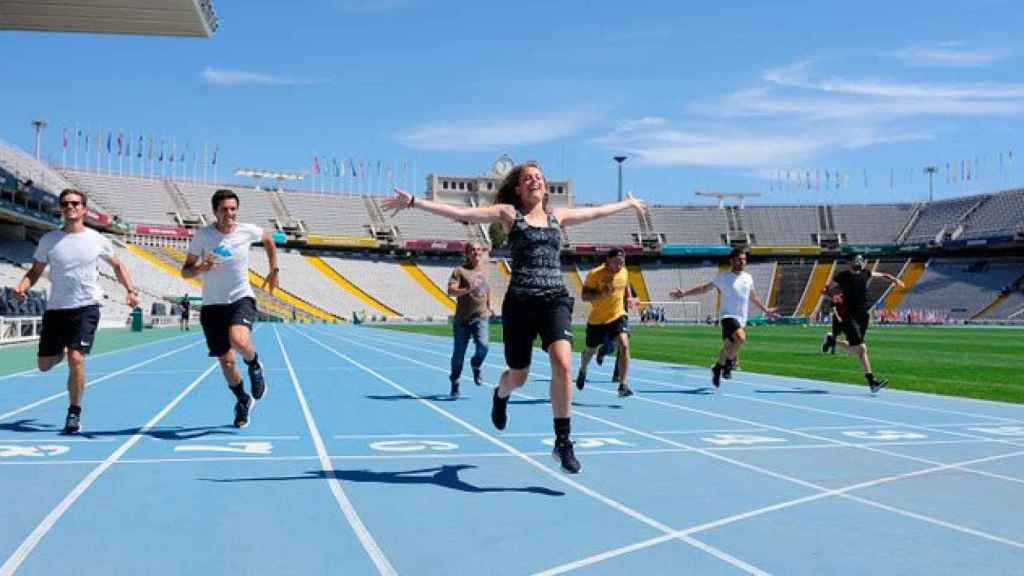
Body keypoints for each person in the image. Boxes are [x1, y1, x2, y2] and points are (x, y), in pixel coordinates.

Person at [382, 161, 647, 474]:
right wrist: (414, 201)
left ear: (544, 186)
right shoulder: (510, 214)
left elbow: (596, 212)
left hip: (554, 300)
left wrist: (628, 203)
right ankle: (500, 393)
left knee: (562, 364)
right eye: (527, 178)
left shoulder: (557, 217)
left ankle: (563, 441)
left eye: (539, 177)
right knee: (518, 376)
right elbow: (462, 214)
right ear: (519, 188)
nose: (534, 180)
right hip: (520, 304)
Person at [13, 188, 139, 434]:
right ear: (61, 208)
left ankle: (74, 412)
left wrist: (130, 290)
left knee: (77, 357)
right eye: (66, 203)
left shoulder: (97, 239)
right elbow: (36, 271)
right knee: (44, 364)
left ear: (83, 208)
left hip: (86, 306)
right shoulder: (49, 240)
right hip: (57, 309)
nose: (70, 207)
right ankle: (63, 349)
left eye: (75, 203)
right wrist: (22, 286)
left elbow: (117, 264)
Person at [182, 189, 278, 428]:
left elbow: (268, 239)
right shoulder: (203, 236)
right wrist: (203, 266)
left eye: (233, 209)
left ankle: (255, 364)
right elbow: (186, 271)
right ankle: (242, 399)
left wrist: (274, 269)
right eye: (224, 209)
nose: (230, 213)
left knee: (239, 340)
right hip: (212, 306)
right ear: (215, 211)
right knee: (226, 363)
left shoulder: (247, 231)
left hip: (240, 298)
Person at [670, 248, 777, 388]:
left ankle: (717, 368)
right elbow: (704, 288)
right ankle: (728, 363)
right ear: (731, 260)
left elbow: (753, 297)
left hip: (741, 318)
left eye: (744, 259)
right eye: (739, 259)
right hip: (727, 316)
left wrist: (765, 310)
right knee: (741, 338)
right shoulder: (723, 277)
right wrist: (684, 293)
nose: (742, 262)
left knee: (727, 348)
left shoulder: (748, 278)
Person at [820, 254, 904, 393]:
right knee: (861, 349)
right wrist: (832, 295)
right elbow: (824, 290)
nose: (860, 262)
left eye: (861, 260)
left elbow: (882, 274)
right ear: (849, 263)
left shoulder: (866, 273)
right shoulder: (842, 276)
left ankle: (832, 340)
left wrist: (894, 279)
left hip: (863, 315)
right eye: (856, 260)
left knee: (856, 350)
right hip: (848, 315)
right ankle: (872, 382)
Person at [575, 248, 638, 397]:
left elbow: (625, 282)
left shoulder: (623, 271)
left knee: (624, 343)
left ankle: (623, 384)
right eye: (617, 262)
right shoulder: (594, 274)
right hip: (597, 320)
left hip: (617, 315)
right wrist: (601, 294)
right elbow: (584, 296)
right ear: (608, 260)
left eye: (622, 262)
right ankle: (583, 369)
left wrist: (630, 297)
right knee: (589, 351)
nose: (620, 265)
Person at [447, 241, 492, 398]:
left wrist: (489, 306)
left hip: (480, 316)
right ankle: (455, 381)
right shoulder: (459, 271)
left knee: (484, 346)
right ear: (467, 253)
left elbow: (487, 289)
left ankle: (476, 363)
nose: (476, 252)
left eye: (478, 250)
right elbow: (451, 291)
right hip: (462, 320)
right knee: (458, 354)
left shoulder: (485, 271)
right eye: (472, 250)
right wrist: (467, 289)